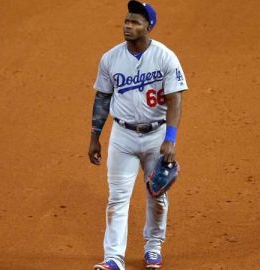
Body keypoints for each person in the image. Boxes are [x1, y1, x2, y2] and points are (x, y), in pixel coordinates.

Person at [88, 1, 187, 269]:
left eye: (135, 22)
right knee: (117, 198)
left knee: (157, 194)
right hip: (122, 136)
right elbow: (102, 97)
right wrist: (95, 135)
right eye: (126, 21)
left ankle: (153, 247)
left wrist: (171, 138)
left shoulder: (165, 57)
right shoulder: (110, 58)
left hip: (156, 136)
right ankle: (113, 258)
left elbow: (175, 98)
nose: (128, 26)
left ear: (148, 27)